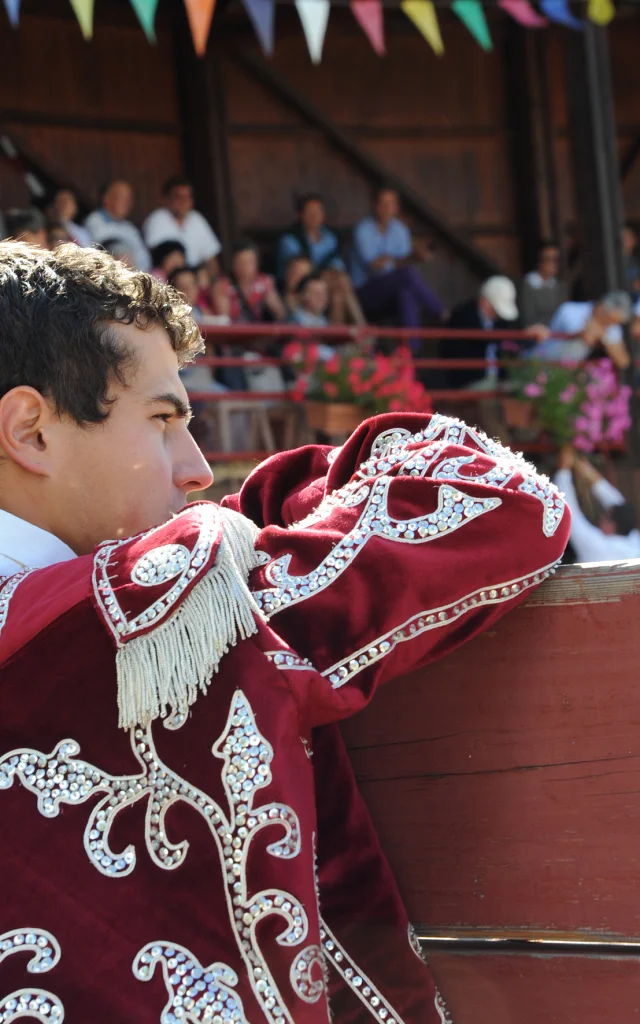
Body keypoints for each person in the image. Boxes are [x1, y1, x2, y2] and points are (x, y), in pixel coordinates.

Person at [0, 240, 570, 1022]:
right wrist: (250, 515)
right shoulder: (164, 602)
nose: (198, 469)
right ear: (29, 431)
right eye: (163, 420)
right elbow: (500, 499)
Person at [350, 185, 445, 330]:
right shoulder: (362, 230)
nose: (387, 208)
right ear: (375, 205)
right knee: (406, 275)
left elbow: (400, 264)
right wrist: (409, 258)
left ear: (396, 208)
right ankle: (441, 312)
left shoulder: (401, 230)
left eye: (391, 204)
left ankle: (411, 350)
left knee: (406, 294)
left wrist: (411, 258)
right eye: (383, 203)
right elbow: (376, 267)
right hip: (364, 294)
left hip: (391, 292)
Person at [277, 194, 364, 325]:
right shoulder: (290, 239)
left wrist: (328, 275)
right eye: (310, 212)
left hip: (324, 284)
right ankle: (362, 328)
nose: (315, 215)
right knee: (305, 269)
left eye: (318, 211)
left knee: (339, 291)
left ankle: (340, 336)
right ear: (301, 215)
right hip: (298, 288)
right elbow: (299, 269)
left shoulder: (330, 238)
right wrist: (323, 274)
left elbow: (337, 267)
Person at [555, 447, 640, 562]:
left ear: (612, 526)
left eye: (605, 517)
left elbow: (570, 515)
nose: (601, 516)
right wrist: (587, 470)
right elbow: (616, 502)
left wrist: (563, 470)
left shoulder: (601, 548)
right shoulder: (633, 538)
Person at [446, 276, 522, 389]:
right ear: (485, 301)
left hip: (498, 380)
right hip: (469, 382)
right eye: (495, 308)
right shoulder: (463, 315)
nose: (497, 314)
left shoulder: (499, 322)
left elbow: (511, 340)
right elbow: (481, 339)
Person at [143, 175, 221, 274]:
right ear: (167, 199)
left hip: (195, 277)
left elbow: (211, 259)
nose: (184, 201)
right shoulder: (158, 218)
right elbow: (158, 260)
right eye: (178, 197)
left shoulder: (196, 218)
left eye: (187, 197)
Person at [537, 291, 632, 369]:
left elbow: (623, 362)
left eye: (615, 322)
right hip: (539, 361)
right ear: (601, 307)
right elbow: (587, 337)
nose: (611, 324)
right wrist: (608, 342)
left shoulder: (612, 325)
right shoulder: (570, 309)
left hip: (563, 370)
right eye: (610, 319)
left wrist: (604, 337)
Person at [212, 239, 285, 323]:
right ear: (233, 264)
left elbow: (280, 313)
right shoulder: (222, 285)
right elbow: (224, 320)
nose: (246, 267)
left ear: (257, 263)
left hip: (258, 332)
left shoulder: (264, 282)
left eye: (250, 262)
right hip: (232, 333)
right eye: (241, 262)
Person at [85, 179, 151, 270]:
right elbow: (101, 243)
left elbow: (144, 259)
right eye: (121, 197)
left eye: (129, 199)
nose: (126, 203)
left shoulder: (130, 228)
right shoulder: (94, 219)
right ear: (106, 198)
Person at [520, 241, 568, 327]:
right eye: (549, 259)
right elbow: (527, 317)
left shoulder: (561, 286)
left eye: (556, 260)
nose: (554, 264)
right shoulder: (528, 285)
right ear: (540, 262)